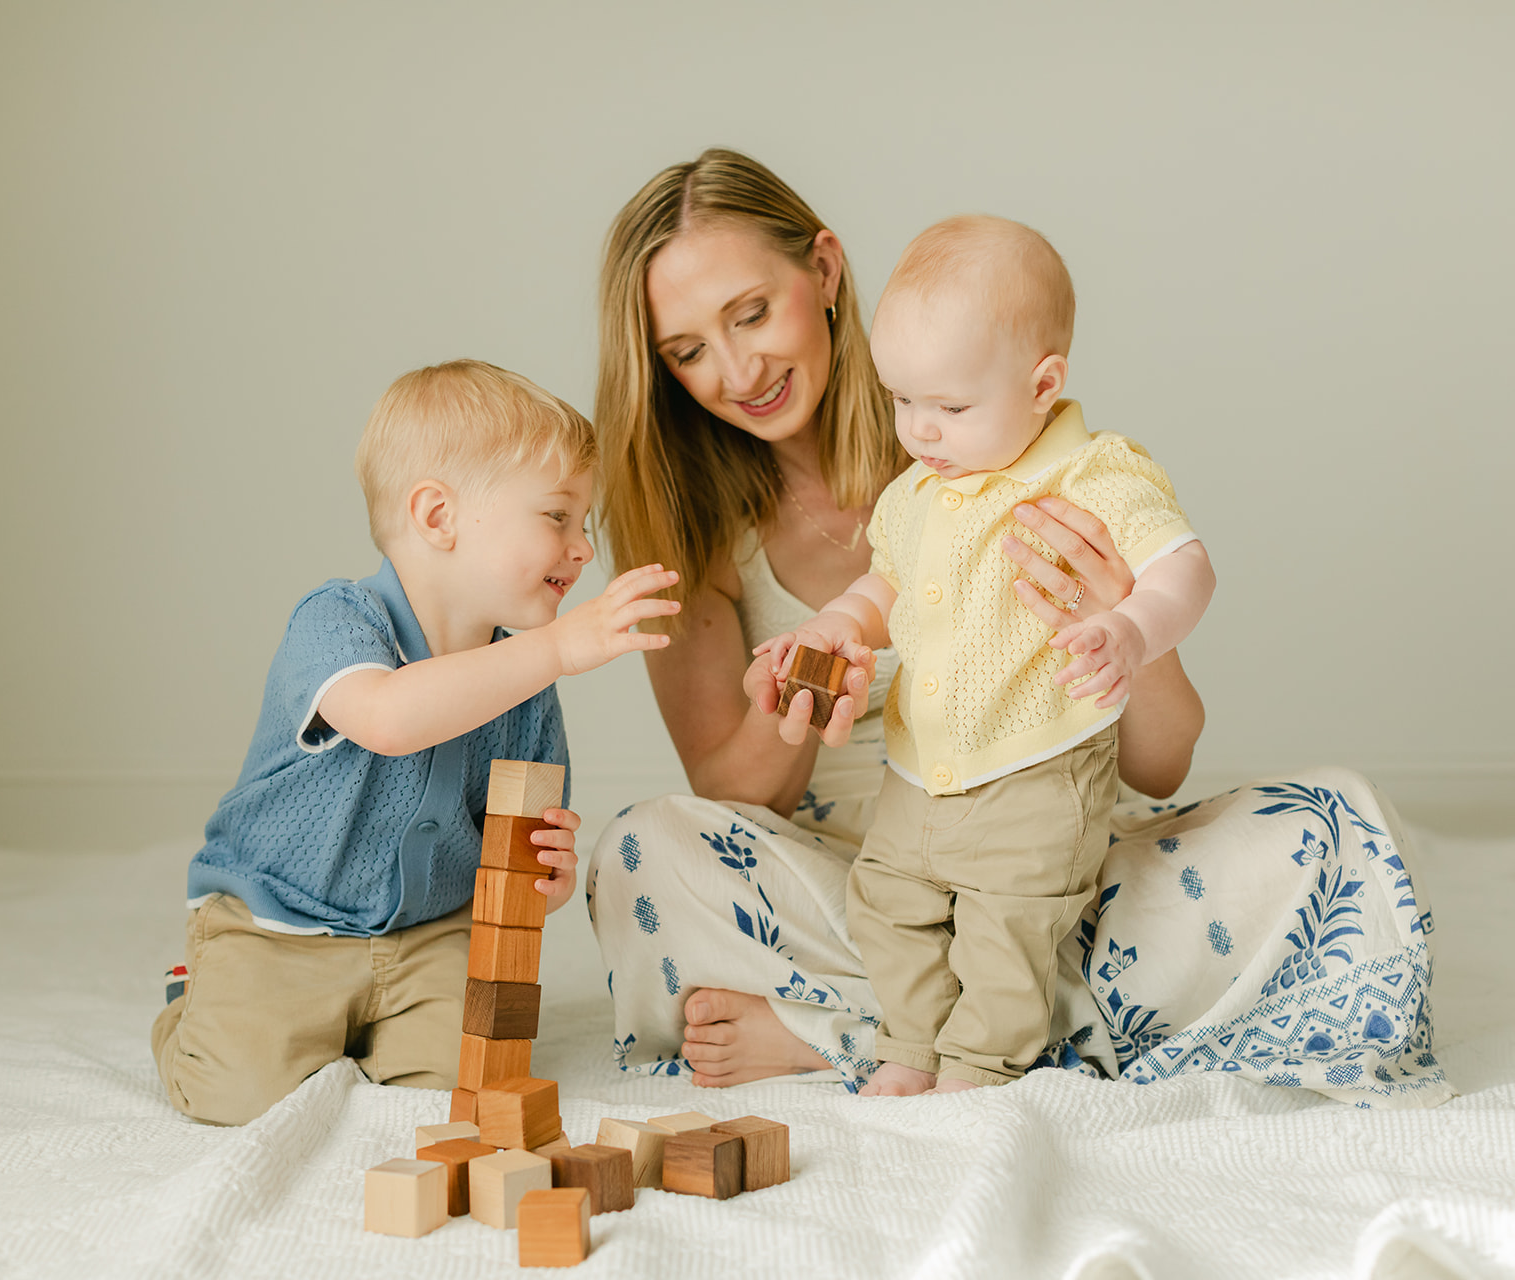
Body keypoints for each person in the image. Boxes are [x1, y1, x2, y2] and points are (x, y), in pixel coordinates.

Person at [586, 148, 1449, 1108]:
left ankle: (862, 1031)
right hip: (857, 882)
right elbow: (732, 797)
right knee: (644, 850)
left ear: (823, 273)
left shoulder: (1017, 443)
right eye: (689, 350)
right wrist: (795, 694)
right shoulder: (695, 528)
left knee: (1339, 822)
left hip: (1048, 859)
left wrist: (1118, 623)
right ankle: (1008, 1027)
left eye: (751, 313)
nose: (738, 369)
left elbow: (1159, 769)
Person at [753, 214, 1214, 1094]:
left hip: (1035, 772)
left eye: (952, 407)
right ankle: (908, 1046)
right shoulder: (920, 491)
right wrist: (835, 624)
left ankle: (978, 1066)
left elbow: (1184, 568)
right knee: (887, 907)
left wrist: (1130, 627)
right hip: (917, 774)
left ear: (1043, 385)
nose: (921, 431)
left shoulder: (1093, 474)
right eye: (902, 401)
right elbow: (884, 589)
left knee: (1007, 928)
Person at [152, 359, 679, 1125]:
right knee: (238, 1095)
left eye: (585, 524)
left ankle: (370, 1028)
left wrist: (549, 874)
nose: (583, 549)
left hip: (429, 933)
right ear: (439, 518)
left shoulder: (523, 678)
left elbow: (521, 838)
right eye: (557, 517)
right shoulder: (337, 621)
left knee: (459, 1088)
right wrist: (563, 647)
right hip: (282, 926)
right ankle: (194, 999)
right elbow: (392, 719)